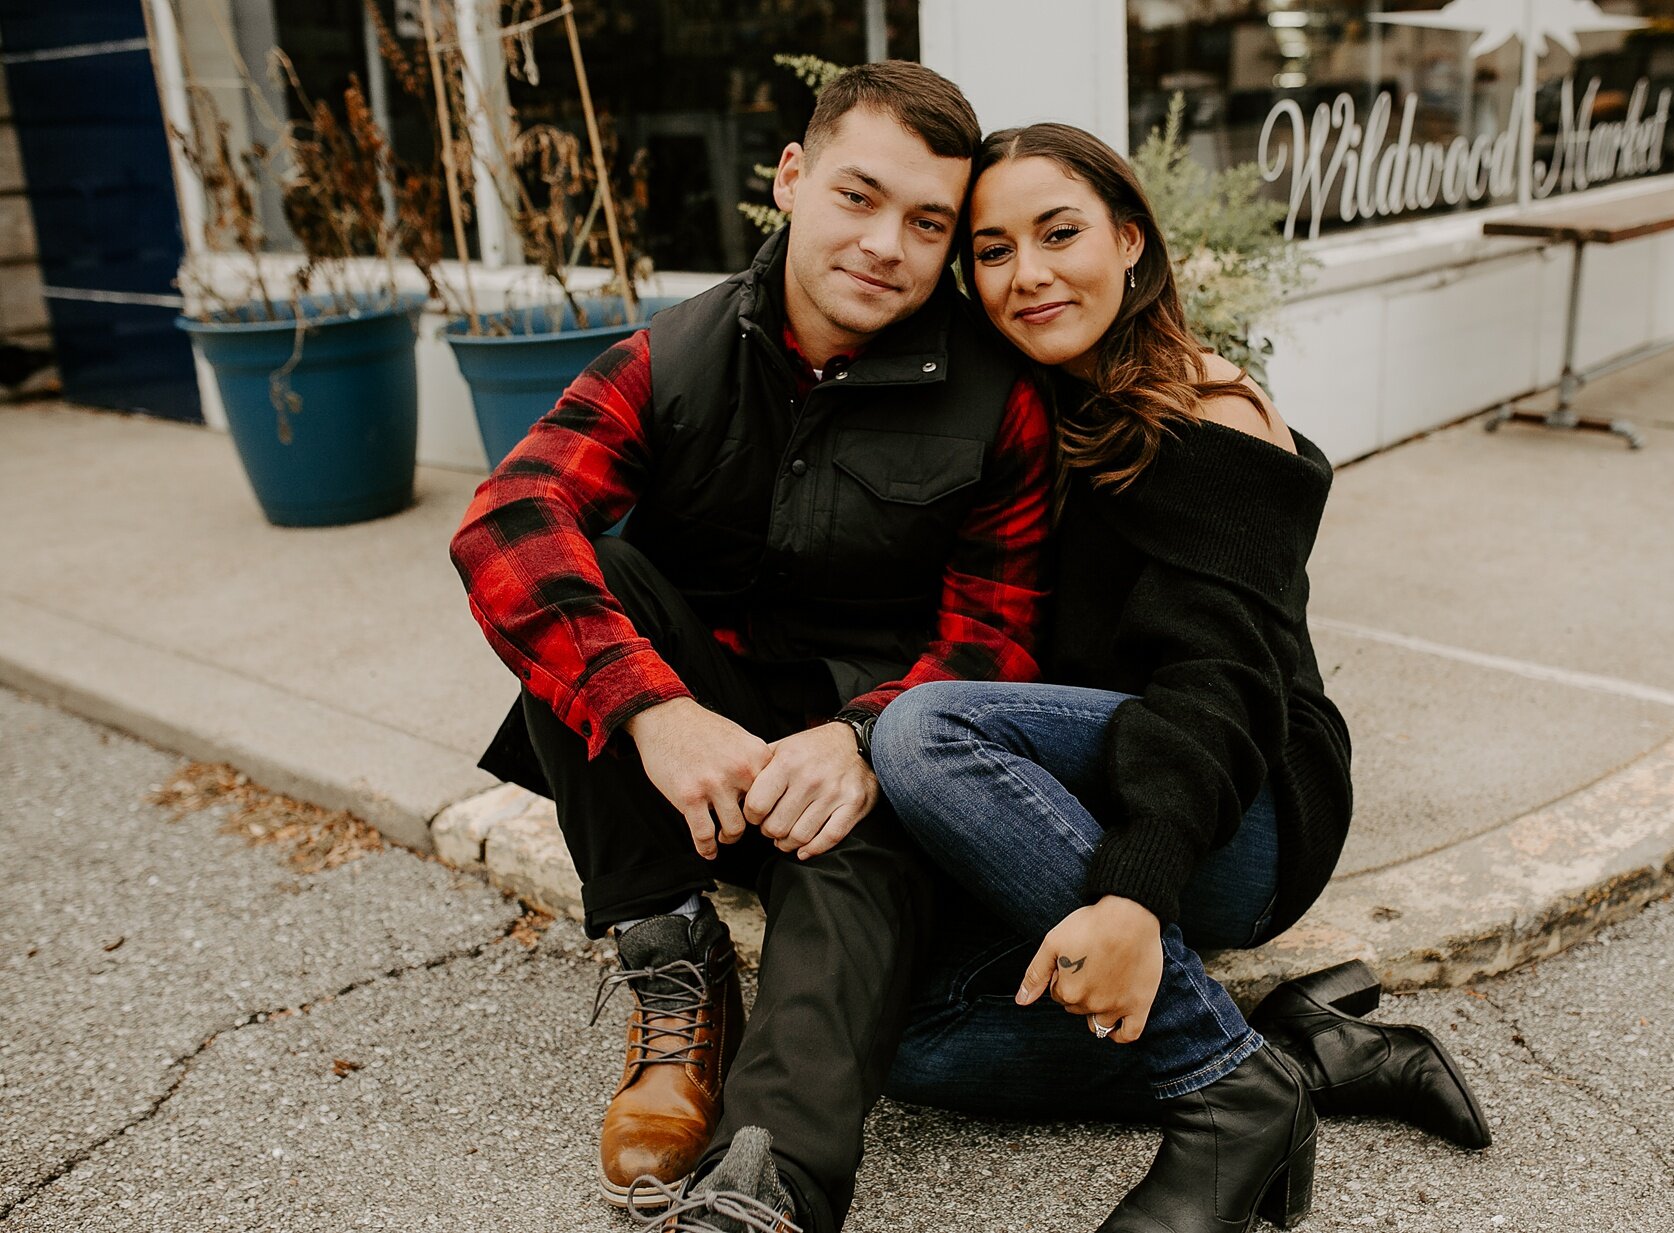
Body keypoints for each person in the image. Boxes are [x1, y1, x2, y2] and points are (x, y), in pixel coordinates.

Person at [449, 63, 1052, 1233]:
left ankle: (772, 1181)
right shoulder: (673, 353)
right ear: (791, 179)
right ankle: (675, 963)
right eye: (857, 198)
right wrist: (652, 713)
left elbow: (1002, 635)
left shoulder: (998, 401)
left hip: (869, 748)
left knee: (849, 900)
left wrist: (870, 737)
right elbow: (505, 519)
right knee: (581, 592)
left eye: (927, 223)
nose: (885, 245)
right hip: (703, 723)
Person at [870, 123, 1490, 1233]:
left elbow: (1219, 683)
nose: (1030, 274)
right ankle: (1300, 1049)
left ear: (1129, 241)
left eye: (1058, 234)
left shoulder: (1207, 414)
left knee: (922, 733)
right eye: (992, 249)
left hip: (1243, 803)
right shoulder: (1025, 410)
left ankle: (1224, 1090)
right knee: (913, 1041)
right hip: (1112, 774)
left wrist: (1132, 892)